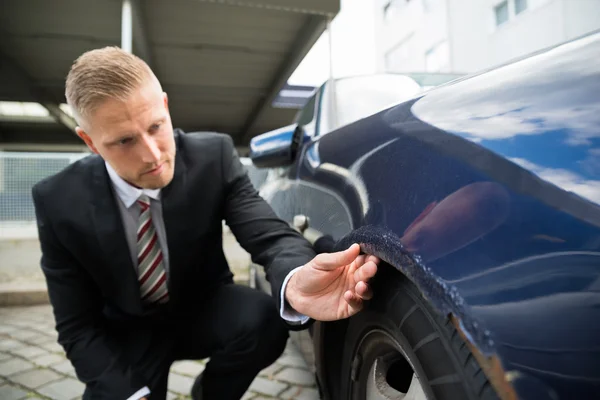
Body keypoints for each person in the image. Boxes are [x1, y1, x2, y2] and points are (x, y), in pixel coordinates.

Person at [31, 46, 379, 400]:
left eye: (155, 126)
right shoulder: (58, 200)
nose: (152, 154)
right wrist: (131, 395)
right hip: (125, 332)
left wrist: (295, 280)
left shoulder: (212, 156)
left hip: (202, 310)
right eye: (124, 141)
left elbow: (270, 237)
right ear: (90, 142)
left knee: (262, 319)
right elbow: (76, 326)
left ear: (165, 106)